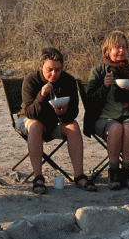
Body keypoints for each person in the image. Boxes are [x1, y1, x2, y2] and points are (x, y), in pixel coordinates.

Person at [18, 47, 96, 194]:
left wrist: (63, 113)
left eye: (58, 70)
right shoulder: (31, 80)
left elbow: (74, 112)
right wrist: (41, 95)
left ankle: (79, 175)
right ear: (41, 67)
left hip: (55, 122)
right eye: (49, 69)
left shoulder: (68, 80)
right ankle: (38, 177)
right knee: (36, 126)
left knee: (73, 126)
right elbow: (29, 112)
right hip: (29, 120)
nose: (54, 74)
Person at [84, 31, 129, 190]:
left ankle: (126, 171)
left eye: (124, 47)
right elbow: (90, 102)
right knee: (115, 128)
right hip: (103, 119)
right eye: (117, 47)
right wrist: (104, 87)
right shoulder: (99, 71)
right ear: (107, 50)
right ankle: (113, 171)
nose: (121, 51)